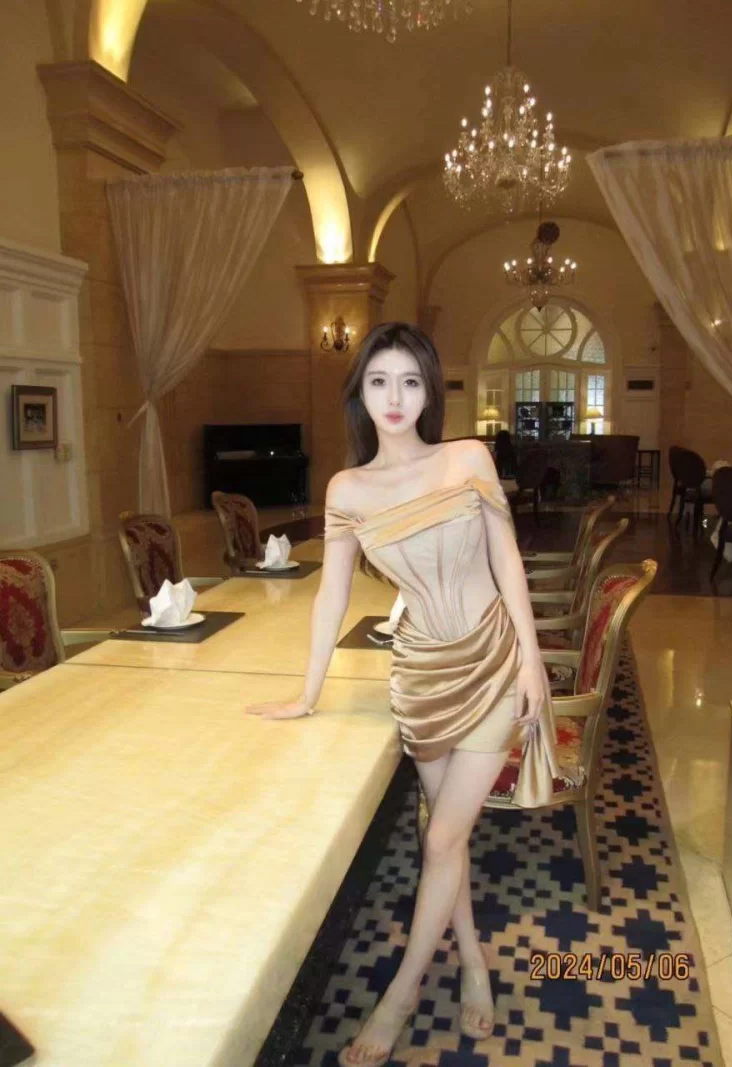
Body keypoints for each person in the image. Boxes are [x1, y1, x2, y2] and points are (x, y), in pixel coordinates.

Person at [246, 322, 558, 1067]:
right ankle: (473, 960)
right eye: (379, 381)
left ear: (429, 392)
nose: (395, 397)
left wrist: (533, 659)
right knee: (446, 836)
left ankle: (400, 991)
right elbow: (331, 595)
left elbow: (507, 559)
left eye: (410, 382)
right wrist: (307, 691)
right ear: (360, 392)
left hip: (489, 661)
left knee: (442, 838)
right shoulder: (348, 489)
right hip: (420, 675)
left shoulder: (467, 458)